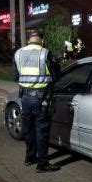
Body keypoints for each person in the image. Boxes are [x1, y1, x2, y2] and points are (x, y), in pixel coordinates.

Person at [12, 31, 61, 173]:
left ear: (28, 40)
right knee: (42, 131)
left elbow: (15, 77)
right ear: (42, 40)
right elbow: (57, 76)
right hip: (41, 99)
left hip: (25, 98)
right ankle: (43, 164)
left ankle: (29, 158)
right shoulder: (46, 53)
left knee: (29, 129)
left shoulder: (18, 53)